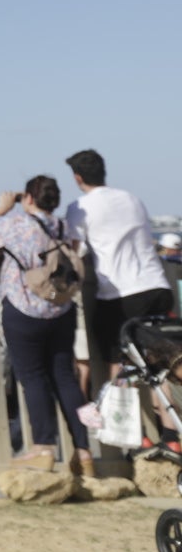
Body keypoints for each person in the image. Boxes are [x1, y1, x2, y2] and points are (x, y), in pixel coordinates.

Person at [0, 176, 92, 473]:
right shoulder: (64, 227)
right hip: (60, 308)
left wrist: (1, 208)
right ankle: (84, 451)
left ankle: (43, 447)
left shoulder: (15, 225)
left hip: (24, 309)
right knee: (66, 378)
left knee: (33, 378)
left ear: (28, 198)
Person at [64, 148, 173, 392]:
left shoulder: (80, 207)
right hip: (157, 286)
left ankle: (122, 424)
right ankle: (168, 428)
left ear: (77, 178)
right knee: (159, 362)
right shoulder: (131, 198)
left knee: (118, 361)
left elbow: (75, 251)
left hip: (121, 294)